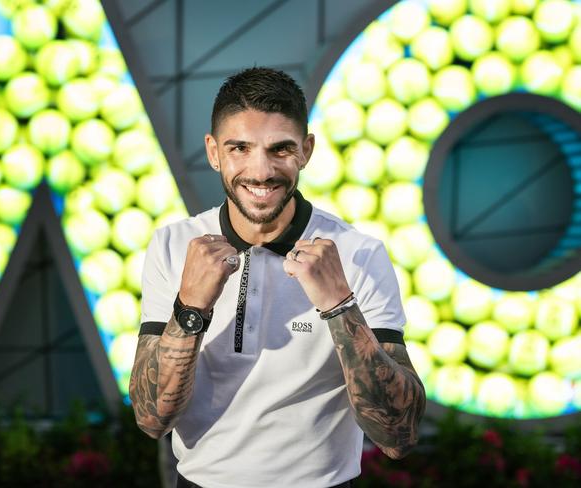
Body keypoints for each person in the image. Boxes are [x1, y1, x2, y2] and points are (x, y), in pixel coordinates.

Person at [129, 67, 426, 488]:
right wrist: (190, 308)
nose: (261, 170)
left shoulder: (359, 254)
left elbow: (399, 434)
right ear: (213, 152)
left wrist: (339, 305)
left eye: (280, 149)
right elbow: (150, 419)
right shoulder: (174, 245)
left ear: (306, 150)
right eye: (240, 148)